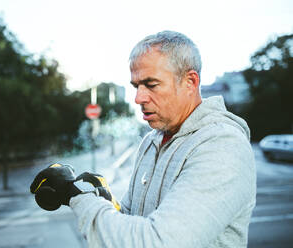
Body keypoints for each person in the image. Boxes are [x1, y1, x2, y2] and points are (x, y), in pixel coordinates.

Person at [30, 30, 256, 248]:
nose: (138, 98)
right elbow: (132, 221)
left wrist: (79, 196)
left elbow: (157, 242)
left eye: (151, 85)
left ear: (190, 82)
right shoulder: (151, 141)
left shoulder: (222, 146)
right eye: (136, 86)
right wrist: (103, 198)